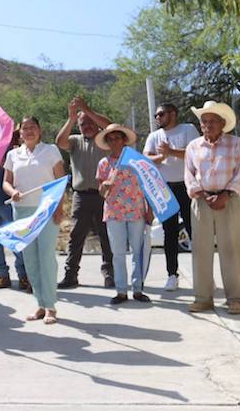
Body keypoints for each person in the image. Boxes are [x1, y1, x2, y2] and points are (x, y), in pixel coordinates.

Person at [185, 101, 240, 315]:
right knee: (200, 251)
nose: (208, 125)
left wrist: (225, 194)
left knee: (231, 249)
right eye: (204, 121)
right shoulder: (193, 147)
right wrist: (202, 194)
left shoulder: (235, 143)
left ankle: (235, 299)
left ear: (222, 123)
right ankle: (203, 298)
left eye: (213, 121)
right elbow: (189, 175)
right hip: (201, 201)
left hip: (229, 200)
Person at [3, 116, 66, 322]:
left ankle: (51, 306)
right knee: (29, 259)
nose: (29, 131)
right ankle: (40, 303)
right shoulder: (13, 154)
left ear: (39, 130)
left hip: (46, 209)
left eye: (33, 127)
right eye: (25, 128)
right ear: (19, 133)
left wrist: (59, 208)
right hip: (22, 211)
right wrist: (12, 192)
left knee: (46, 257)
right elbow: (6, 183)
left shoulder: (50, 151)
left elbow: (60, 181)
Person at [55, 97, 114, 289]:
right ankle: (71, 275)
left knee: (107, 236)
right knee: (76, 237)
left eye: (90, 122)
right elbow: (59, 141)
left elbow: (111, 126)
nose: (87, 126)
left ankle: (110, 274)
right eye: (83, 124)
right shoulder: (75, 141)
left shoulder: (105, 139)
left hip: (104, 195)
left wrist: (87, 110)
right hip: (81, 196)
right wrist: (72, 117)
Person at [143, 103, 200, 291]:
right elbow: (146, 159)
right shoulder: (154, 136)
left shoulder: (188, 129)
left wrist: (171, 152)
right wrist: (161, 156)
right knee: (170, 233)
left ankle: (203, 275)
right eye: (156, 115)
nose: (157, 118)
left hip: (187, 186)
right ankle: (172, 275)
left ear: (173, 114)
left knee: (195, 231)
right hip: (164, 189)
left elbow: (196, 153)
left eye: (161, 114)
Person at [96, 124, 154, 304]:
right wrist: (104, 187)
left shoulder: (136, 161)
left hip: (136, 210)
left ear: (124, 140)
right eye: (110, 139)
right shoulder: (104, 164)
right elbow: (101, 192)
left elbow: (147, 187)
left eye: (117, 138)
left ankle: (138, 289)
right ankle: (121, 290)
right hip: (114, 213)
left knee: (138, 251)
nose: (114, 142)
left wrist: (150, 210)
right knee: (118, 253)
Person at [0, 129, 28, 291]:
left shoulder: (14, 151)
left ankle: (23, 275)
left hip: (9, 202)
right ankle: (2, 275)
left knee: (16, 241)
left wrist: (2, 161)